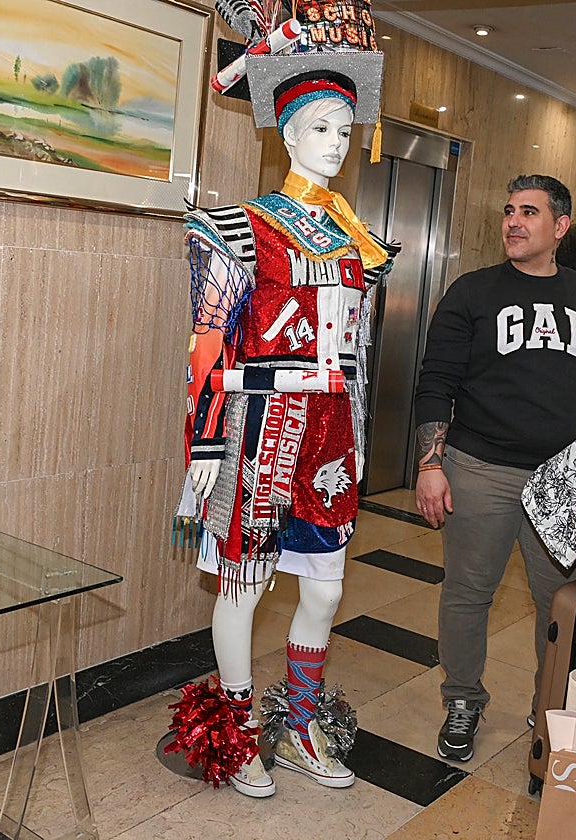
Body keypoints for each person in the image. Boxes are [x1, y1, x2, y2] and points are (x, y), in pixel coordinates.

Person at [177, 69, 396, 796]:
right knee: (245, 582)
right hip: (262, 423)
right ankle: (238, 732)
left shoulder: (357, 240)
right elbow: (209, 341)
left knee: (325, 591)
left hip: (330, 433)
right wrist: (205, 442)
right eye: (320, 128)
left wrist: (358, 434)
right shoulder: (241, 229)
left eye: (345, 130)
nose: (335, 143)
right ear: (288, 134)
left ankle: (301, 726)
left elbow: (358, 351)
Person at [413, 174, 576, 761]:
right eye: (509, 210)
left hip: (564, 479)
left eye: (529, 212)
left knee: (561, 604)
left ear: (560, 227)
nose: (513, 222)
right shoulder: (472, 292)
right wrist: (430, 464)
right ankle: (462, 699)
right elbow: (436, 382)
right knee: (467, 593)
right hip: (479, 469)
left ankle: (550, 708)